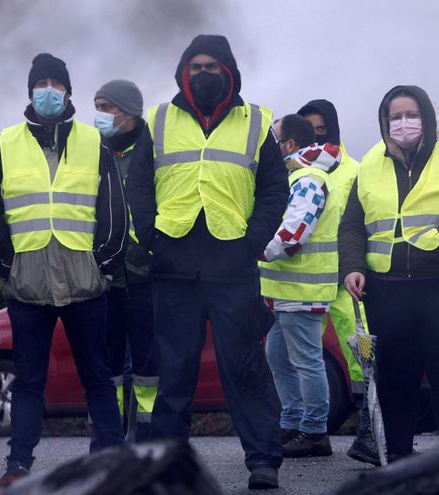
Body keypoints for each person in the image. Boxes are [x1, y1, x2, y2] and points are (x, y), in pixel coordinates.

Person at [126, 34, 286, 490]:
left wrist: (252, 241)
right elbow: (138, 184)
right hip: (173, 266)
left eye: (212, 66)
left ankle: (263, 461)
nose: (202, 73)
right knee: (174, 374)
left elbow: (276, 190)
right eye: (194, 66)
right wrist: (153, 236)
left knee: (245, 367)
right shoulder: (158, 120)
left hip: (233, 266)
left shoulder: (256, 122)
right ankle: (166, 463)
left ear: (229, 72)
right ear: (182, 71)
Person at [0, 53, 127, 482]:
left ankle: (112, 461)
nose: (48, 90)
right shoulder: (5, 143)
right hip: (28, 286)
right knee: (29, 381)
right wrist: (8, 267)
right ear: (30, 92)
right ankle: (18, 463)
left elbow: (114, 209)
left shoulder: (94, 142)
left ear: (68, 91)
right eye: (40, 83)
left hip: (85, 282)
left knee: (97, 376)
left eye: (56, 83)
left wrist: (103, 264)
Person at [339, 85, 439, 461]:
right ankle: (399, 465)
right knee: (395, 385)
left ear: (426, 117)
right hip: (387, 293)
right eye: (396, 117)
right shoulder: (370, 164)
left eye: (412, 115)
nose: (404, 123)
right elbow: (352, 225)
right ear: (385, 122)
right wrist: (353, 267)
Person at [296, 98, 378, 465]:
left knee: (362, 352)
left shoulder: (354, 170)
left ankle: (372, 427)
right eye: (309, 130)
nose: (316, 137)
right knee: (296, 356)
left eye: (321, 129)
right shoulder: (293, 169)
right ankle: (306, 429)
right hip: (305, 281)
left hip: (346, 282)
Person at [260, 114, 341, 457]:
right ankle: (292, 422)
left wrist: (253, 250)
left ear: (290, 144)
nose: (268, 149)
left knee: (307, 361)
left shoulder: (307, 180)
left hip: (302, 292)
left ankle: (315, 432)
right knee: (277, 355)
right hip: (285, 293)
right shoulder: (296, 176)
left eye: (273, 142)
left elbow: (292, 236)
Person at [93, 79, 156, 442]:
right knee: (107, 369)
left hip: (145, 275)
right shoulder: (94, 151)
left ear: (130, 112)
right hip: (105, 276)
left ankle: (149, 444)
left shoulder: (153, 151)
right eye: (97, 106)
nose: (100, 114)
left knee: (150, 370)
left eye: (107, 107)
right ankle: (107, 442)